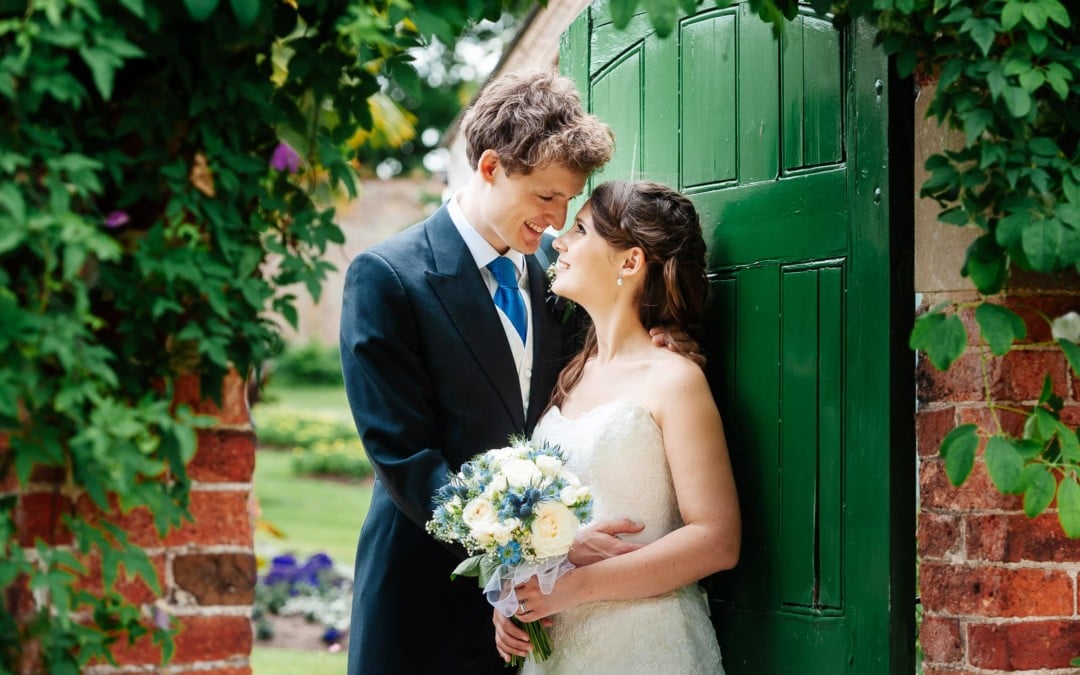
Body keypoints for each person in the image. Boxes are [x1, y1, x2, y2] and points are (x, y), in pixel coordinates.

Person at [341, 69, 655, 675]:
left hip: (538, 612)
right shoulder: (387, 278)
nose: (559, 220)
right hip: (421, 599)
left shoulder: (552, 278)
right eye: (545, 197)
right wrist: (542, 544)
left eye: (569, 200)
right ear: (490, 167)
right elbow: (406, 459)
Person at [492, 180, 742, 674]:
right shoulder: (572, 373)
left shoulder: (674, 378)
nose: (559, 240)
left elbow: (718, 539)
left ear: (629, 263)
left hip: (644, 644)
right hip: (559, 650)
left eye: (581, 229)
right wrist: (514, 599)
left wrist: (574, 588)